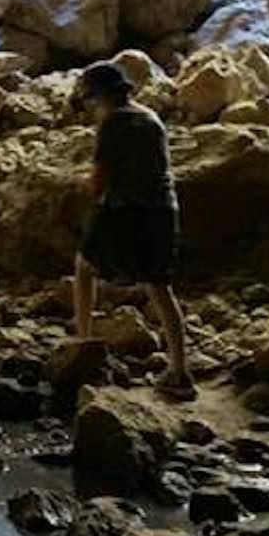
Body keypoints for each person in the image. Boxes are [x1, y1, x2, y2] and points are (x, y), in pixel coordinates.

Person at [71, 62, 193, 398]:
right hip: (164, 210)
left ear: (96, 97)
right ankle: (180, 369)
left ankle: (83, 344)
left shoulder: (112, 123)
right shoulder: (151, 118)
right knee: (160, 288)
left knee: (84, 267)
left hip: (126, 209)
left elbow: (101, 178)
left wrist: (90, 204)